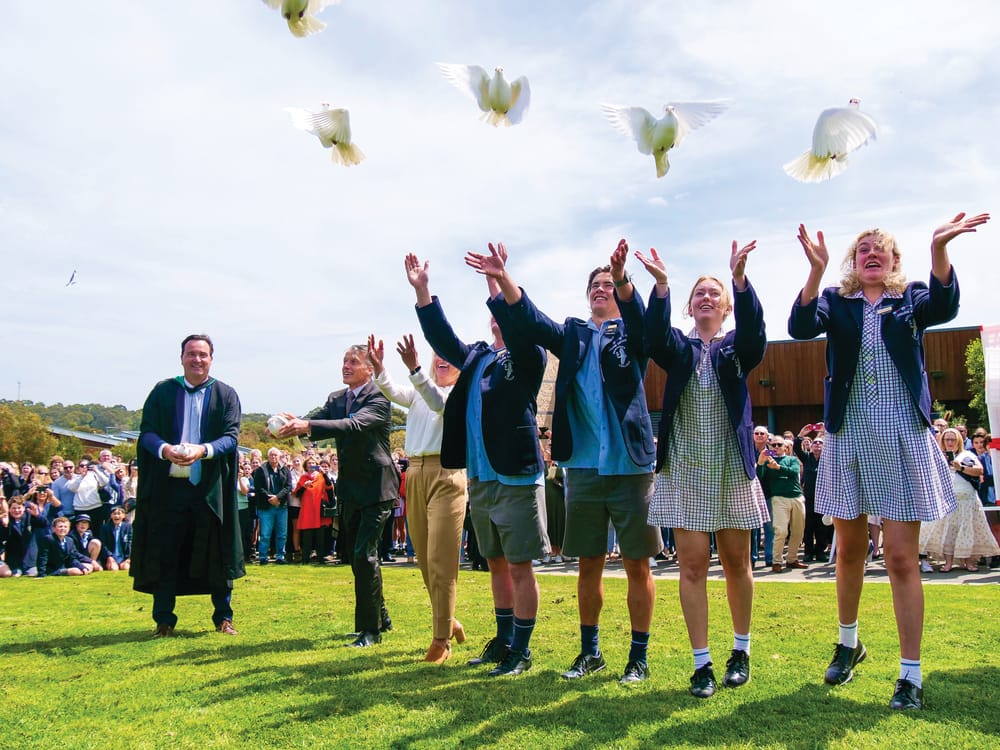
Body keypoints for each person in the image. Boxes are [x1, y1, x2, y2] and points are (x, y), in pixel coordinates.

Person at [788, 211, 990, 710]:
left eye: (882, 249)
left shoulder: (911, 297)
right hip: (850, 435)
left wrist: (940, 250)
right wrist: (814, 274)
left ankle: (910, 674)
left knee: (901, 557)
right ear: (853, 261)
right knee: (850, 548)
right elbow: (798, 327)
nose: (872, 254)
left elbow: (945, 304)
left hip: (902, 433)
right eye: (863, 249)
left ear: (895, 260)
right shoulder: (836, 301)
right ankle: (848, 642)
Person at [473, 239, 661, 685]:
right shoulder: (574, 334)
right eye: (594, 285)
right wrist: (501, 279)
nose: (601, 289)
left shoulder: (633, 335)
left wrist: (623, 278)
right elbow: (533, 320)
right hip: (583, 468)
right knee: (589, 563)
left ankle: (638, 656)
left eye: (607, 284)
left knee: (637, 563)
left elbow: (641, 323)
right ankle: (590, 652)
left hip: (630, 467)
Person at [640, 239, 769, 698]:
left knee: (737, 562)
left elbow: (756, 336)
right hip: (687, 467)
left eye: (715, 293)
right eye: (699, 294)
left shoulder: (737, 347)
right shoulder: (679, 347)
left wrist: (739, 278)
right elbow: (654, 338)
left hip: (731, 467)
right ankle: (702, 663)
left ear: (726, 306)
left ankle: (741, 650)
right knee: (692, 565)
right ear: (690, 308)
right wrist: (660, 286)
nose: (707, 299)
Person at [412, 249, 549, 677]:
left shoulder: (529, 357)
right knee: (495, 562)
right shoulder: (475, 358)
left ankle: (521, 649)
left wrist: (499, 282)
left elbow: (516, 317)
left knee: (520, 564)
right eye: (492, 315)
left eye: (503, 314)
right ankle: (503, 639)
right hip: (480, 478)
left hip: (516, 477)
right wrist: (423, 292)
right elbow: (442, 337)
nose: (497, 319)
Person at [276, 344, 401, 648]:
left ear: (369, 369)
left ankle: (370, 631)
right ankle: (380, 617)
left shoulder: (379, 397)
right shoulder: (336, 398)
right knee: (358, 557)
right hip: (351, 489)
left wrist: (309, 425)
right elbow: (317, 424)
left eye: (353, 362)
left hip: (378, 487)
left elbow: (354, 425)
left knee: (364, 554)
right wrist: (295, 426)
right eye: (344, 361)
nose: (345, 366)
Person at [130, 334, 244, 637]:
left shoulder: (225, 394)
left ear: (211, 359)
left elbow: (231, 438)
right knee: (166, 550)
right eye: (191, 354)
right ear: (181, 358)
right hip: (170, 489)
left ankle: (223, 616)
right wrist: (165, 449)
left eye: (203, 355)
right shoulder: (163, 392)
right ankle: (164, 620)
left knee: (216, 550)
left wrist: (202, 450)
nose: (197, 360)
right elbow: (147, 433)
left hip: (209, 487)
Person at [369, 331, 468, 663]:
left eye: (450, 356)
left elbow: (437, 403)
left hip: (447, 474)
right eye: (438, 353)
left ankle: (441, 640)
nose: (442, 359)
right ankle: (447, 618)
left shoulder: (459, 395)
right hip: (414, 472)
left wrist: (414, 370)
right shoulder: (418, 393)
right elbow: (394, 391)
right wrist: (380, 368)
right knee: (426, 559)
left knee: (441, 560)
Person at [919, 428, 999, 571]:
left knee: (967, 530)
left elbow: (979, 470)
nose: (950, 443)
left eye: (953, 440)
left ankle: (968, 562)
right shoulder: (937, 456)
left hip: (967, 500)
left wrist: (960, 467)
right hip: (947, 500)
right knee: (948, 532)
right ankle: (948, 563)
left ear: (959, 441)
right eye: (947, 439)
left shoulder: (967, 454)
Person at [758, 438, 808, 571]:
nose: (776, 447)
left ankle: (792, 559)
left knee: (798, 531)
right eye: (773, 445)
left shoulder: (792, 460)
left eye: (779, 445)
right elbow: (759, 476)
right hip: (778, 498)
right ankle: (776, 561)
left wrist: (778, 467)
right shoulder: (767, 461)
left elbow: (793, 473)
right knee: (780, 531)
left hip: (796, 497)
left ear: (785, 447)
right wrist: (761, 462)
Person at [253, 448, 291, 565]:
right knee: (265, 534)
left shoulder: (285, 470)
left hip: (281, 506)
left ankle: (280, 556)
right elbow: (259, 487)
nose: (274, 457)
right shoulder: (261, 470)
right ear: (268, 457)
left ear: (279, 457)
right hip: (266, 506)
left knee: (282, 533)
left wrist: (278, 498)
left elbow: (288, 486)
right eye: (271, 455)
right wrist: (271, 499)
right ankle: (263, 557)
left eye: (276, 455)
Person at [292, 457, 333, 564]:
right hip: (307, 510)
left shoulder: (321, 477)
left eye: (313, 463)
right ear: (306, 466)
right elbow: (296, 493)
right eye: (309, 463)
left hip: (319, 510)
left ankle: (320, 558)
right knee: (307, 537)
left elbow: (329, 487)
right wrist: (303, 487)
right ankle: (305, 559)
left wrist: (324, 473)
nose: (311, 465)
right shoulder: (303, 478)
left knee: (320, 536)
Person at [98, 505, 132, 571]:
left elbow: (131, 542)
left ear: (124, 515)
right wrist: (109, 557)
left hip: (124, 557)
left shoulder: (128, 527)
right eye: (114, 514)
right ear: (111, 516)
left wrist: (128, 558)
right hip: (112, 557)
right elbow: (103, 544)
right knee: (113, 569)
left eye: (119, 514)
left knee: (125, 568)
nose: (116, 516)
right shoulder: (105, 528)